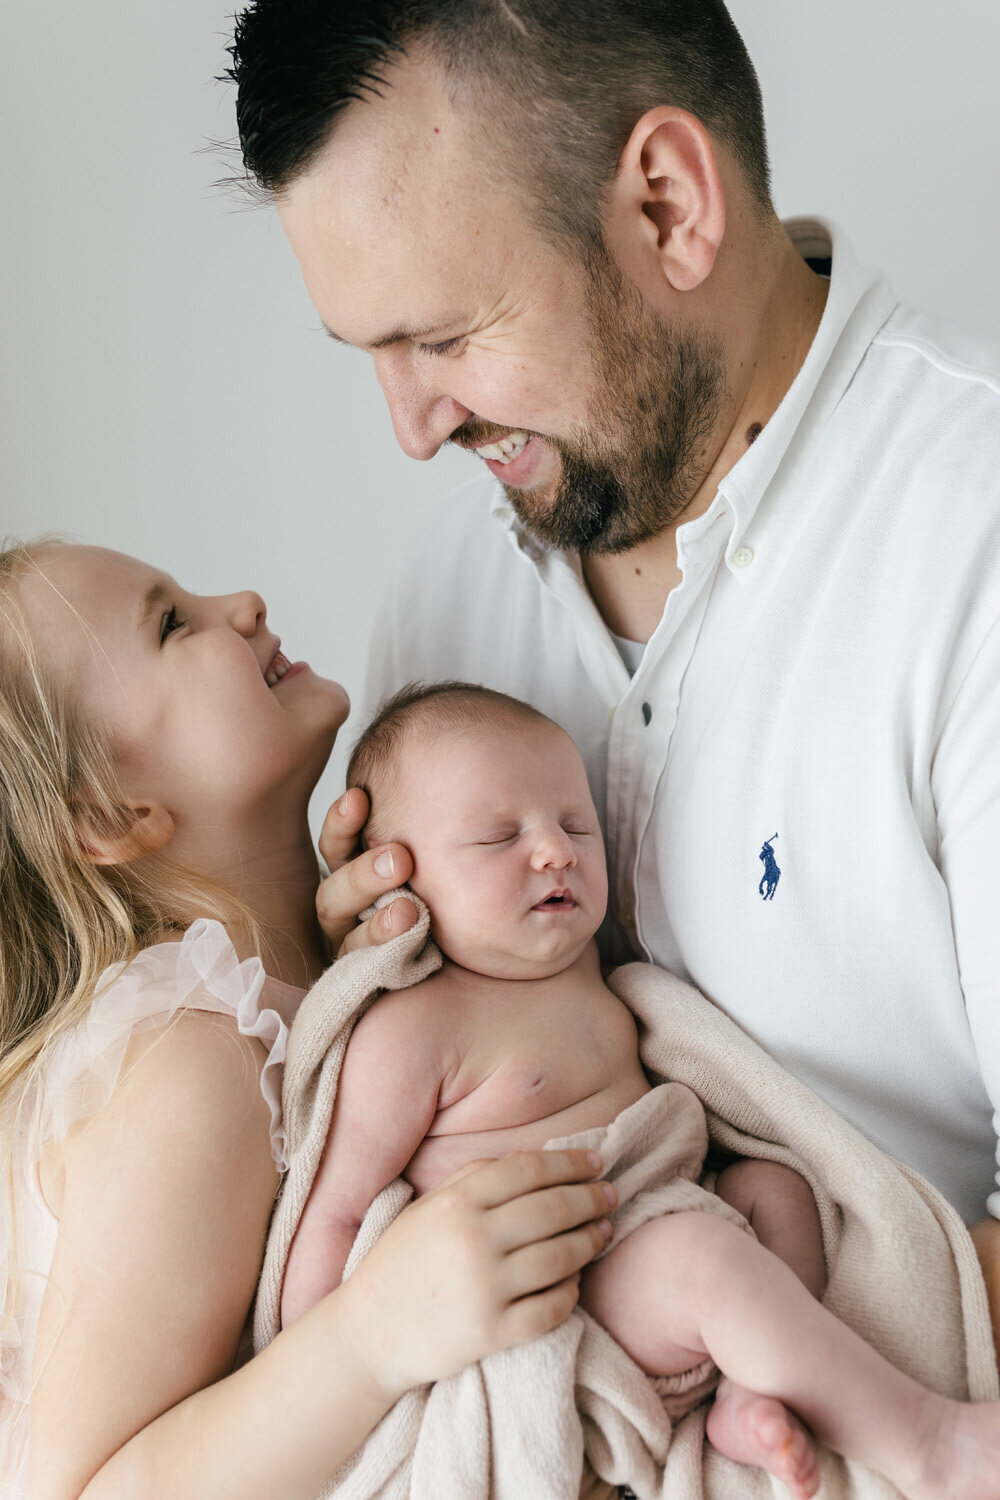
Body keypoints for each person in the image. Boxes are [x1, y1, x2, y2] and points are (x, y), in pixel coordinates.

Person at [226, 1, 1000, 1338]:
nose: (413, 431)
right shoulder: (447, 599)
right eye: (373, 356)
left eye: (445, 337)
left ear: (665, 205)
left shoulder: (971, 533)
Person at [0, 540, 615, 1500]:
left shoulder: (338, 974)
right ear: (116, 814)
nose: (240, 601)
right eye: (172, 622)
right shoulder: (190, 1061)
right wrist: (373, 1333)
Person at [280, 680, 1000, 1499]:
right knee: (702, 1262)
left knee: (778, 1188)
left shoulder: (600, 980)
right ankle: (926, 1444)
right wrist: (319, 1368)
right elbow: (334, 1206)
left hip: (656, 1214)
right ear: (393, 879)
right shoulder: (414, 1030)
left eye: (574, 824)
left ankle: (758, 1390)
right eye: (497, 836)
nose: (553, 850)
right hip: (565, 1285)